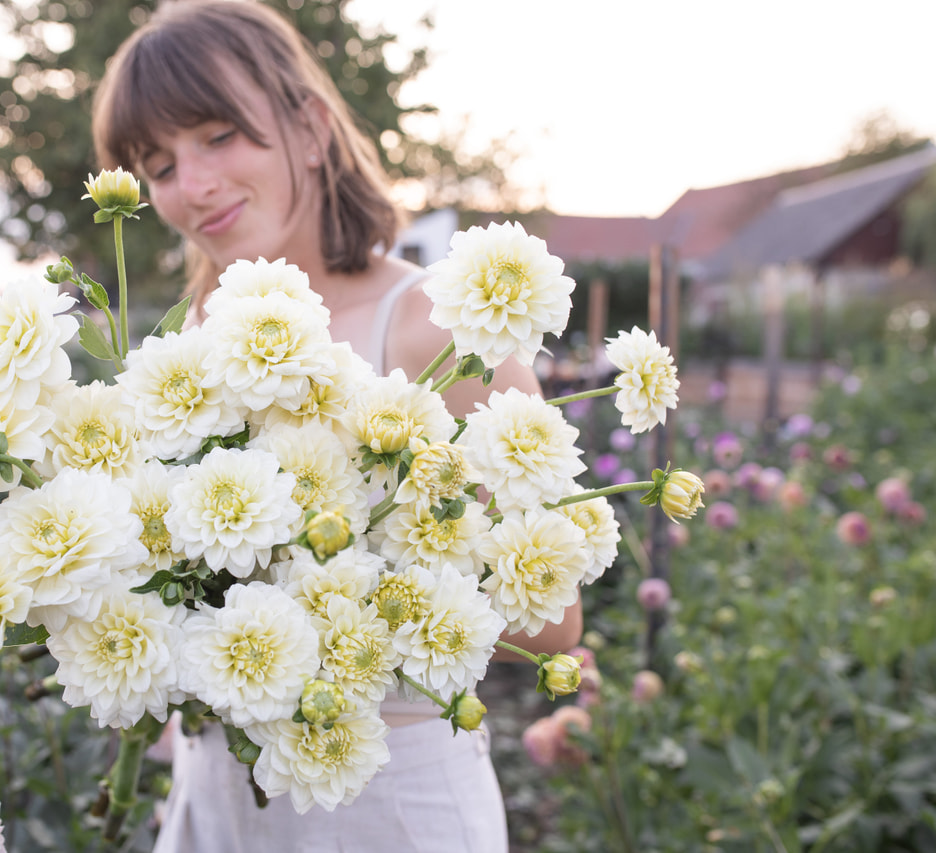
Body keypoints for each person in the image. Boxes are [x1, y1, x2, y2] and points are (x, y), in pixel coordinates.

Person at [92, 2, 583, 850]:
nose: (191, 186)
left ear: (311, 127)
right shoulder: (189, 339)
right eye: (158, 163)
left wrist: (320, 595)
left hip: (389, 804)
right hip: (217, 799)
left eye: (217, 135)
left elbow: (553, 622)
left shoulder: (434, 324)